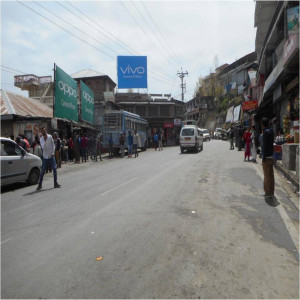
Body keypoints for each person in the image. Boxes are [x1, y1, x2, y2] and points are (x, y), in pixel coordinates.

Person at [261, 117, 278, 206]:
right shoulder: (271, 131)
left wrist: (263, 156)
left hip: (266, 156)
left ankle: (267, 193)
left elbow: (264, 146)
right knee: (271, 175)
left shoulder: (265, 133)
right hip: (271, 156)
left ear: (263, 125)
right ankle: (271, 192)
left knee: (266, 175)